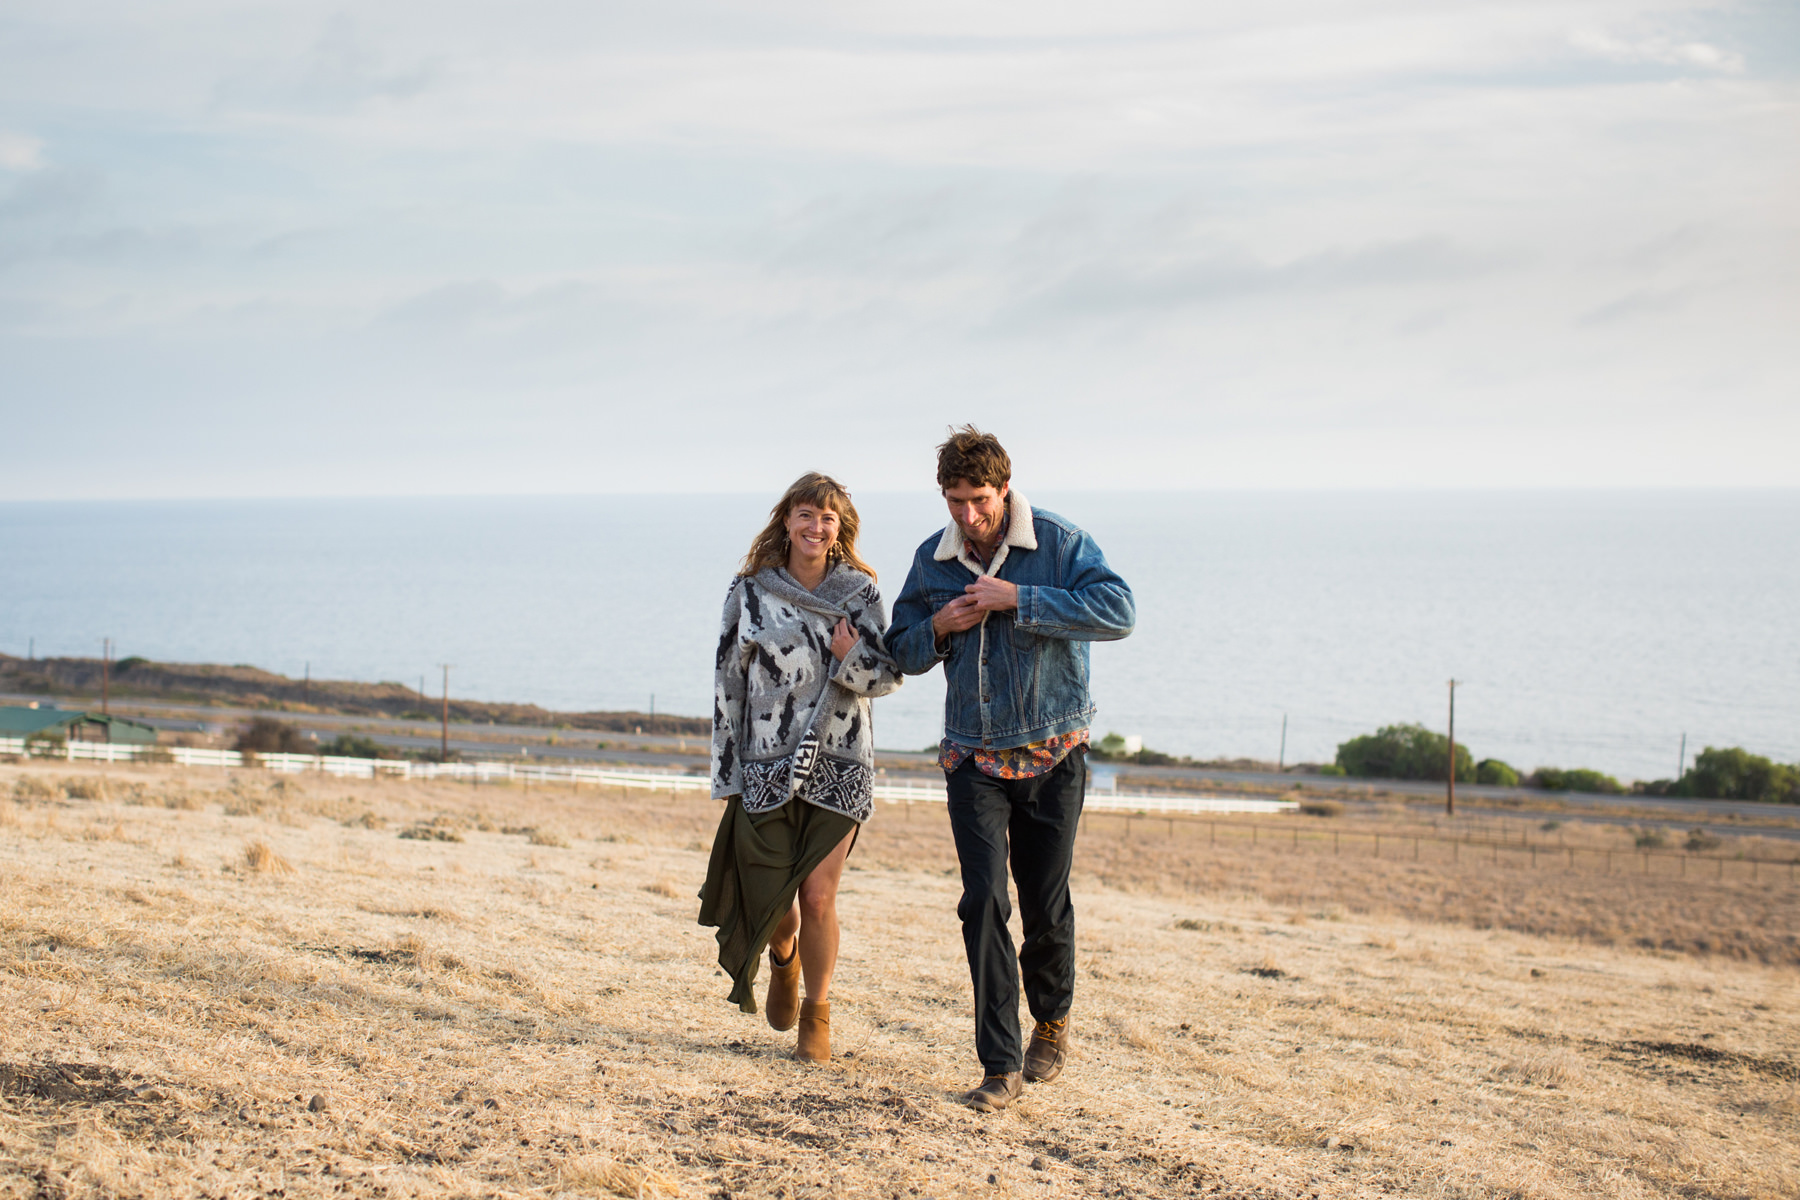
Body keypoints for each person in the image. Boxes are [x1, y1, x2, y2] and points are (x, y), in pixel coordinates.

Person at [887, 427, 1134, 1112]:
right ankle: (1000, 1065)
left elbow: (1118, 612)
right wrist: (941, 625)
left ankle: (1051, 1023)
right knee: (983, 901)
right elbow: (900, 651)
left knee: (1044, 903)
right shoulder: (932, 559)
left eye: (979, 500)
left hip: (1055, 753)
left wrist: (1018, 600)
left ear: (1004, 488)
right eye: (955, 501)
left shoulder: (1059, 543)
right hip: (972, 756)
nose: (968, 515)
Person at [698, 472, 903, 1063]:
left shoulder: (860, 593)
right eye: (806, 515)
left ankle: (818, 1012)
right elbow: (728, 684)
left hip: (842, 763)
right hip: (765, 764)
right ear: (786, 521)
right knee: (778, 903)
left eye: (827, 518)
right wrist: (727, 773)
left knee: (817, 897)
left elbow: (888, 677)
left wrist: (850, 656)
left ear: (840, 529)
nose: (816, 527)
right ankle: (782, 957)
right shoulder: (751, 592)